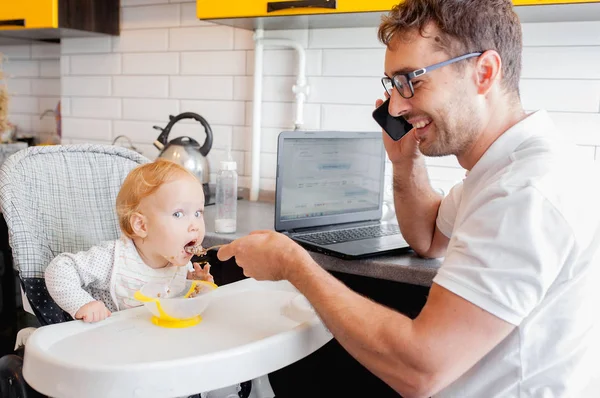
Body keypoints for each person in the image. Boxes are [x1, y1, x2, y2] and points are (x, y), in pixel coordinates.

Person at [216, 0, 600, 396]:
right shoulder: (506, 168)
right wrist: (404, 163)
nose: (396, 106)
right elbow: (430, 238)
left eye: (411, 80)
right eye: (393, 85)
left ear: (483, 73)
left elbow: (421, 368)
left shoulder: (522, 192)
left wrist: (293, 264)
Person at [45, 158, 214, 323]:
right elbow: (59, 270)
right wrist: (83, 304)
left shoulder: (180, 263)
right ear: (141, 225)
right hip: (113, 342)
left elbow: (174, 304)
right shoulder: (113, 259)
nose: (195, 226)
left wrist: (193, 284)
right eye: (178, 214)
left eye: (198, 213)